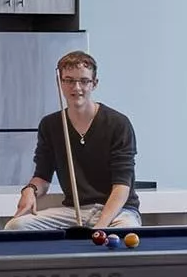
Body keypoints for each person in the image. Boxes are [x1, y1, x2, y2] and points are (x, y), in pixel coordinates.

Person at [7, 51, 138, 231]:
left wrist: (99, 229)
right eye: (69, 80)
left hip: (118, 212)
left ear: (94, 84)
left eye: (84, 81)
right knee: (17, 226)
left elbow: (122, 187)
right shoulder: (50, 125)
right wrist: (29, 190)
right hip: (74, 211)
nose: (76, 88)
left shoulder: (118, 123)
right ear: (60, 83)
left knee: (126, 232)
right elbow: (43, 177)